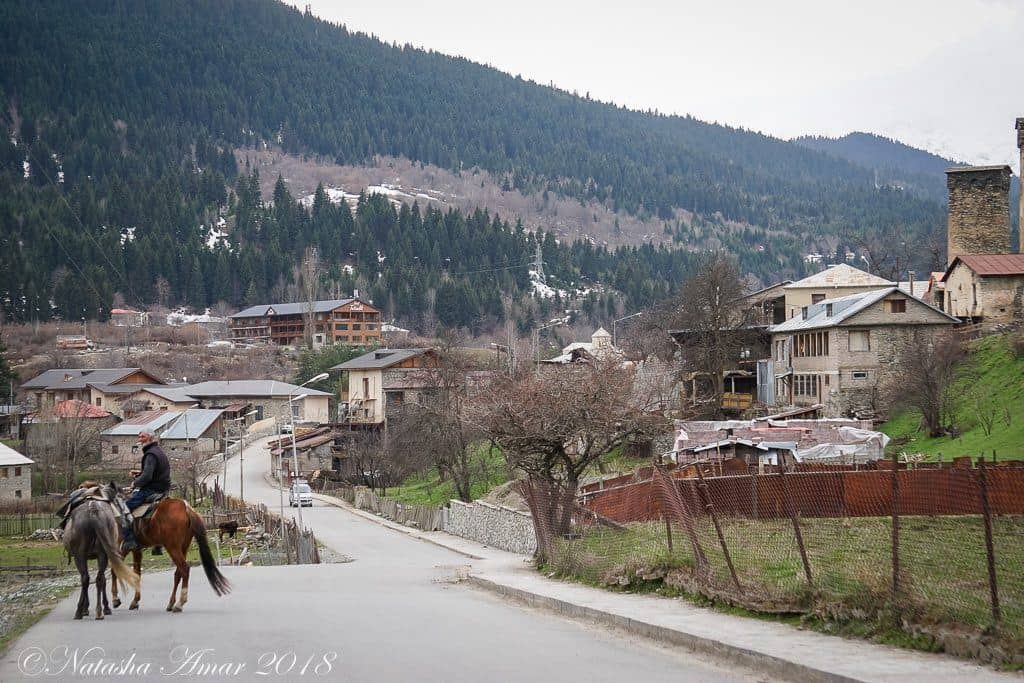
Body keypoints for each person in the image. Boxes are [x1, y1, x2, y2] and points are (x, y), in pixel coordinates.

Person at [122, 429, 171, 553]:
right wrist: (139, 473)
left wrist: (135, 483)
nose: (139, 439)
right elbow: (156, 472)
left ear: (150, 438)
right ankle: (158, 544)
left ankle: (129, 540)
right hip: (163, 489)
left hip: (151, 489)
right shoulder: (159, 452)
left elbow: (148, 476)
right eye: (139, 436)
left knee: (123, 509)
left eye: (142, 436)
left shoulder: (150, 454)